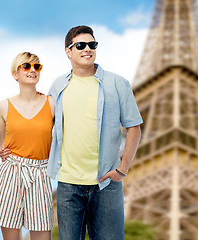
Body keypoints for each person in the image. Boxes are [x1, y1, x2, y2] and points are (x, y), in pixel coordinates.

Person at [47, 25, 143, 240]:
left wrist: (123, 169)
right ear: (68, 51)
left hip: (107, 182)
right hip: (68, 183)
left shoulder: (118, 83)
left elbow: (134, 128)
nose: (87, 49)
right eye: (80, 45)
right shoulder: (58, 86)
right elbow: (44, 125)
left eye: (92, 44)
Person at [0, 52, 55, 240]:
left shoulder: (52, 104)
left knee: (43, 234)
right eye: (26, 66)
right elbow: (2, 145)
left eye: (37, 67)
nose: (32, 70)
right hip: (11, 174)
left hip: (40, 174)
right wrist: (2, 152)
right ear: (15, 74)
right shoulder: (3, 107)